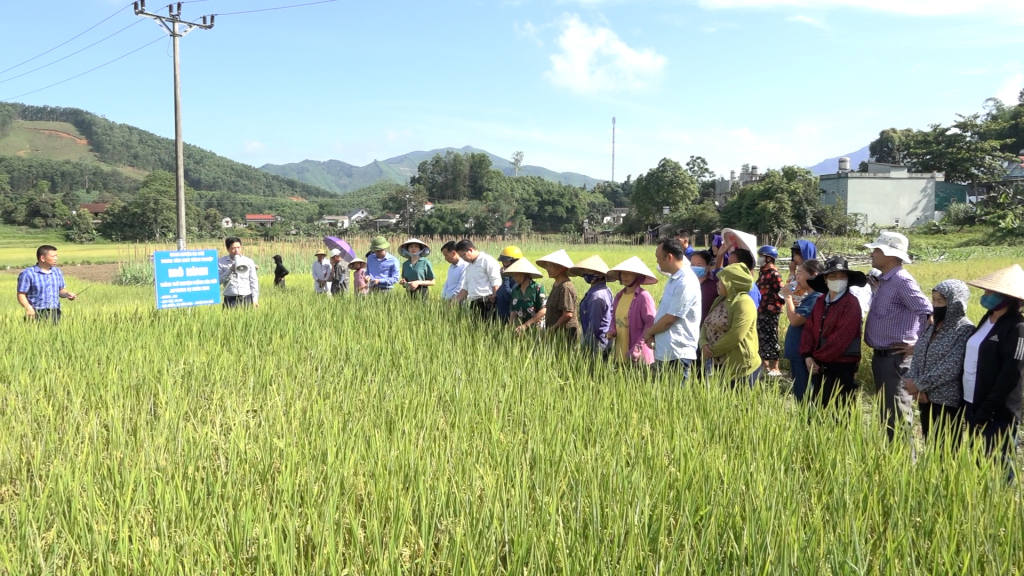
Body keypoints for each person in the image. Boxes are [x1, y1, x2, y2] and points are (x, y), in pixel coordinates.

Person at [863, 231, 932, 442]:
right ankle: (894, 460)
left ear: (890, 255)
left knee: (897, 415)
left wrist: (918, 346)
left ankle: (904, 465)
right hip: (883, 357)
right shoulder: (885, 281)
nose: (872, 253)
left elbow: (929, 312)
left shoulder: (901, 280)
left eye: (877, 250)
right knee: (888, 413)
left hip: (895, 358)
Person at [962, 264, 1024, 481]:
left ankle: (1003, 504)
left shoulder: (1017, 328)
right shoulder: (986, 319)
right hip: (973, 400)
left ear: (1007, 298)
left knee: (998, 461)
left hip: (998, 409)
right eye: (985, 291)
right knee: (978, 459)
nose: (985, 296)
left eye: (991, 293)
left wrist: (988, 408)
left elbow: (1012, 373)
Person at [902, 280, 974, 447]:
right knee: (930, 442)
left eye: (940, 301)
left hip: (945, 398)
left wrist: (919, 385)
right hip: (924, 395)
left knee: (945, 447)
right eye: (933, 300)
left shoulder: (964, 329)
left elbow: (952, 366)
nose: (935, 305)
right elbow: (919, 353)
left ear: (956, 303)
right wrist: (914, 384)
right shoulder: (932, 326)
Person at [800, 256, 867, 410]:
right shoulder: (820, 301)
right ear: (825, 279)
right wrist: (807, 355)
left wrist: (817, 358)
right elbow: (809, 329)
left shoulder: (851, 303)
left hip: (841, 366)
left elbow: (841, 338)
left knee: (839, 412)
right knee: (819, 408)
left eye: (842, 276)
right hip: (818, 365)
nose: (838, 279)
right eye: (833, 276)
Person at [644, 238, 702, 383]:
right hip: (666, 349)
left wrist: (649, 332)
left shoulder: (685, 281)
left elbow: (671, 318)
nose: (657, 262)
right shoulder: (674, 279)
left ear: (669, 257)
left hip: (678, 351)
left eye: (658, 258)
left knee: (675, 397)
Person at [699, 263, 760, 386]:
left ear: (731, 283)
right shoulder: (720, 300)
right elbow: (707, 323)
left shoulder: (744, 303)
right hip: (716, 364)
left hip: (739, 367)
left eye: (721, 281)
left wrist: (711, 351)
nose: (717, 283)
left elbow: (736, 335)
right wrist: (703, 343)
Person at [781, 259, 824, 401]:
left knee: (804, 395)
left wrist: (787, 296)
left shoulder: (816, 297)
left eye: (800, 273)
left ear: (813, 275)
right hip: (799, 353)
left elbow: (795, 320)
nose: (797, 277)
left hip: (803, 354)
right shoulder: (810, 296)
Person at [606, 256, 658, 366]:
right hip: (620, 355)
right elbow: (614, 320)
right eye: (622, 273)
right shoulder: (619, 296)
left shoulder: (644, 297)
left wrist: (637, 348)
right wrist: (612, 330)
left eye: (628, 273)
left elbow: (650, 324)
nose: (624, 276)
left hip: (638, 357)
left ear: (638, 276)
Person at [16, 244, 77, 323]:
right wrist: (28, 308)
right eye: (53, 256)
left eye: (56, 256)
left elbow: (61, 290)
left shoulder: (57, 272)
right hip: (36, 312)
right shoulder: (28, 273)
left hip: (55, 312)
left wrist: (67, 294)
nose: (56, 259)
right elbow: (21, 294)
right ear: (43, 258)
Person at [571, 255, 614, 355]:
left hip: (596, 344)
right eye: (585, 270)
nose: (585, 273)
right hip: (603, 340)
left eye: (589, 271)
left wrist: (586, 345)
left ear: (599, 274)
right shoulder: (605, 290)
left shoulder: (596, 296)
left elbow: (594, 326)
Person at [537, 249, 579, 342]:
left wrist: (552, 329)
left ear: (561, 268)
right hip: (555, 334)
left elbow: (567, 314)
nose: (548, 269)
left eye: (551, 266)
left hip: (564, 335)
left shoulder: (565, 286)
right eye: (547, 266)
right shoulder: (557, 284)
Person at [454, 239, 502, 320]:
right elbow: (465, 288)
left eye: (463, 255)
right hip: (474, 304)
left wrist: (496, 302)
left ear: (470, 250)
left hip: (487, 303)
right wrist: (454, 302)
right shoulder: (469, 267)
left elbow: (496, 282)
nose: (462, 259)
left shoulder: (487, 261)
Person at [715, 228, 761, 309]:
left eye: (732, 263)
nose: (728, 267)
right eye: (728, 263)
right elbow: (720, 274)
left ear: (743, 266)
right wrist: (719, 256)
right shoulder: (735, 283)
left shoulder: (750, 290)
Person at [756, 245, 785, 377]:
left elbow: (782, 292)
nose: (760, 259)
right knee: (762, 337)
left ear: (769, 258)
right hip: (761, 309)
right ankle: (765, 364)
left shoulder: (774, 274)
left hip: (771, 311)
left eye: (762, 257)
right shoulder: (763, 273)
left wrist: (776, 306)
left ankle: (775, 366)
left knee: (771, 337)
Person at [504, 258, 547, 334]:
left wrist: (526, 325)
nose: (514, 278)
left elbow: (543, 310)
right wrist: (510, 328)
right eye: (513, 275)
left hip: (536, 328)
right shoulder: (515, 291)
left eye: (516, 275)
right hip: (520, 328)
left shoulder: (537, 288)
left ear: (525, 274)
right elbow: (513, 311)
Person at [218, 237, 259, 309]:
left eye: (238, 247)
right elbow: (218, 281)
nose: (237, 250)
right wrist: (230, 270)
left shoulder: (249, 261)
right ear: (228, 249)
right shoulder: (221, 262)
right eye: (233, 248)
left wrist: (255, 300)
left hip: (247, 299)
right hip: (230, 300)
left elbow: (253, 281)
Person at [690, 250, 719, 327]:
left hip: (707, 327)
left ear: (708, 266)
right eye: (692, 264)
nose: (695, 267)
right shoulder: (686, 282)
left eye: (699, 265)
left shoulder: (716, 284)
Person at [496, 246, 523, 322]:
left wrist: (505, 277)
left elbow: (509, 297)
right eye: (503, 262)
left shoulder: (519, 280)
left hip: (511, 321)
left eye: (506, 262)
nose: (504, 265)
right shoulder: (509, 279)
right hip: (501, 320)